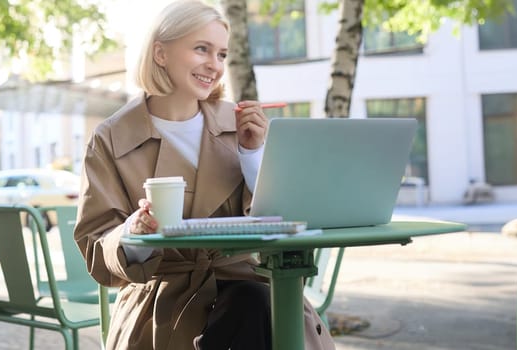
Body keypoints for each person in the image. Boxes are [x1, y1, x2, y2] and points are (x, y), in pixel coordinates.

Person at [73, 1, 336, 349]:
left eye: (222, 55)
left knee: (254, 303)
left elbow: (288, 218)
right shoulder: (111, 138)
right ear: (160, 53)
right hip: (163, 302)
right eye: (202, 49)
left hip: (252, 288)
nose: (214, 65)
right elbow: (95, 244)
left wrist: (253, 154)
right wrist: (133, 233)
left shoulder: (242, 126)